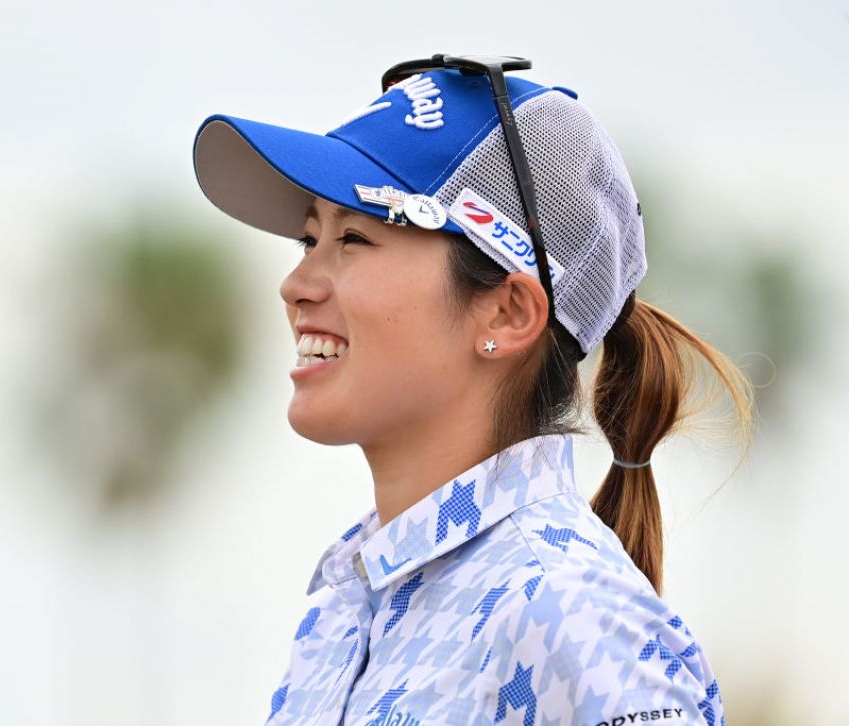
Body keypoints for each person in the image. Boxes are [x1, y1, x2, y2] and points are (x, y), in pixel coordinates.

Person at [192, 54, 752, 726]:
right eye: (309, 239)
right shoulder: (342, 612)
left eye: (354, 237)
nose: (296, 285)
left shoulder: (574, 616)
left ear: (507, 313)